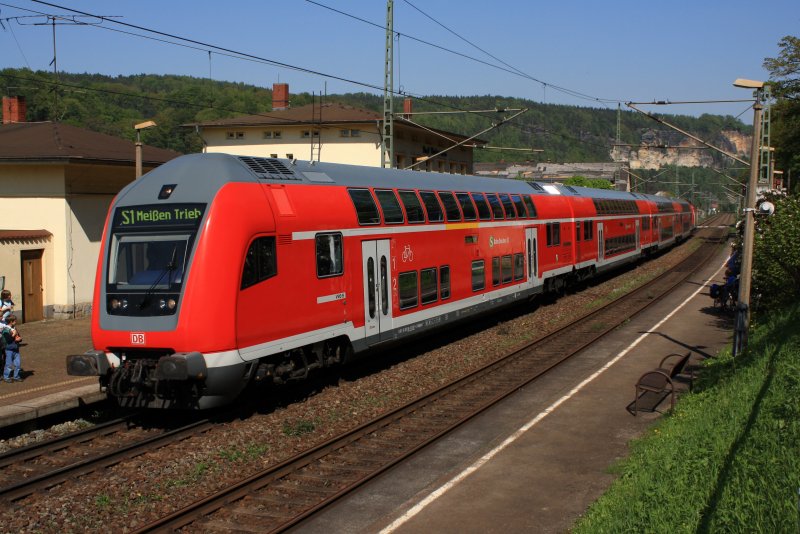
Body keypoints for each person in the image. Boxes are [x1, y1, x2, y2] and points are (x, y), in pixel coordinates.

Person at [2, 314, 22, 382]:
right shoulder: (5, 330)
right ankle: (6, 377)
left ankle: (16, 376)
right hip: (9, 350)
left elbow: (19, 337)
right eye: (15, 320)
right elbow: (9, 340)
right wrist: (14, 335)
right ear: (11, 321)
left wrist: (19, 339)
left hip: (16, 348)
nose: (16, 321)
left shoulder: (14, 328)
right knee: (9, 364)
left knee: (18, 364)